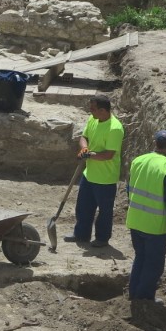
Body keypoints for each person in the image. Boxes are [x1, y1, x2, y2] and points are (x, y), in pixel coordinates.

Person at [125, 130, 166, 307]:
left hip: (135, 220)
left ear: (155, 143)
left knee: (140, 257)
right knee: (154, 265)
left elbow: (129, 188)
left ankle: (134, 294)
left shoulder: (138, 160)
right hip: (155, 226)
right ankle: (144, 300)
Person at [64, 94, 124, 248]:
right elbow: (84, 137)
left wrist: (89, 155)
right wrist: (84, 148)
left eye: (93, 109)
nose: (90, 111)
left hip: (105, 178)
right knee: (83, 207)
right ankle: (81, 234)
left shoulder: (115, 128)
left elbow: (108, 155)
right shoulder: (94, 119)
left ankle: (102, 239)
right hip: (89, 174)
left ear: (103, 110)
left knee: (104, 212)